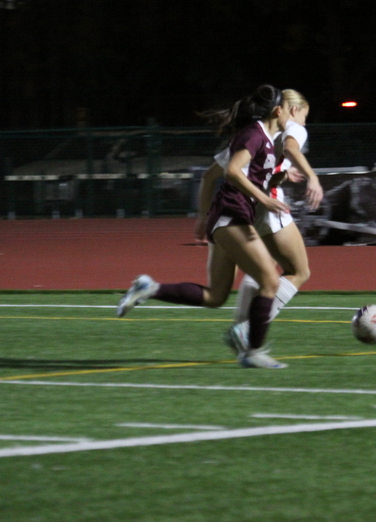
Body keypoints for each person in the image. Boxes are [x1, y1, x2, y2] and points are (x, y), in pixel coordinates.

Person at [117, 84, 292, 369]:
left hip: (227, 216)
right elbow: (233, 171)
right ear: (277, 110)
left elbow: (231, 175)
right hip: (231, 216)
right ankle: (253, 351)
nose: (290, 113)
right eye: (287, 108)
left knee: (215, 296)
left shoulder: (266, 140)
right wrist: (263, 197)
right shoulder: (255, 134)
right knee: (270, 281)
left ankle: (149, 289)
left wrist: (273, 183)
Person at [192, 90, 323, 353]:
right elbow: (290, 147)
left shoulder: (252, 134)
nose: (305, 123)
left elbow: (210, 176)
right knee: (299, 272)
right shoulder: (294, 129)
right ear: (292, 110)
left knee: (262, 272)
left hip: (248, 210)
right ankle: (247, 329)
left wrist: (201, 217)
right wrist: (312, 176)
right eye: (305, 116)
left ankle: (242, 330)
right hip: (270, 207)